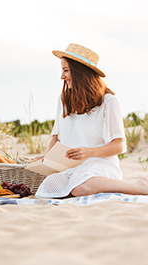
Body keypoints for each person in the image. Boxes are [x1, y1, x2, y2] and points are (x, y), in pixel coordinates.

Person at [35, 43, 148, 198]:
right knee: (48, 190)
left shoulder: (108, 101)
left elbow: (118, 145)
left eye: (65, 70)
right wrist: (45, 159)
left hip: (98, 166)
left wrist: (89, 153)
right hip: (69, 168)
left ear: (80, 72)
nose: (62, 76)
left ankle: (137, 186)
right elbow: (56, 136)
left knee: (79, 188)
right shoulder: (63, 100)